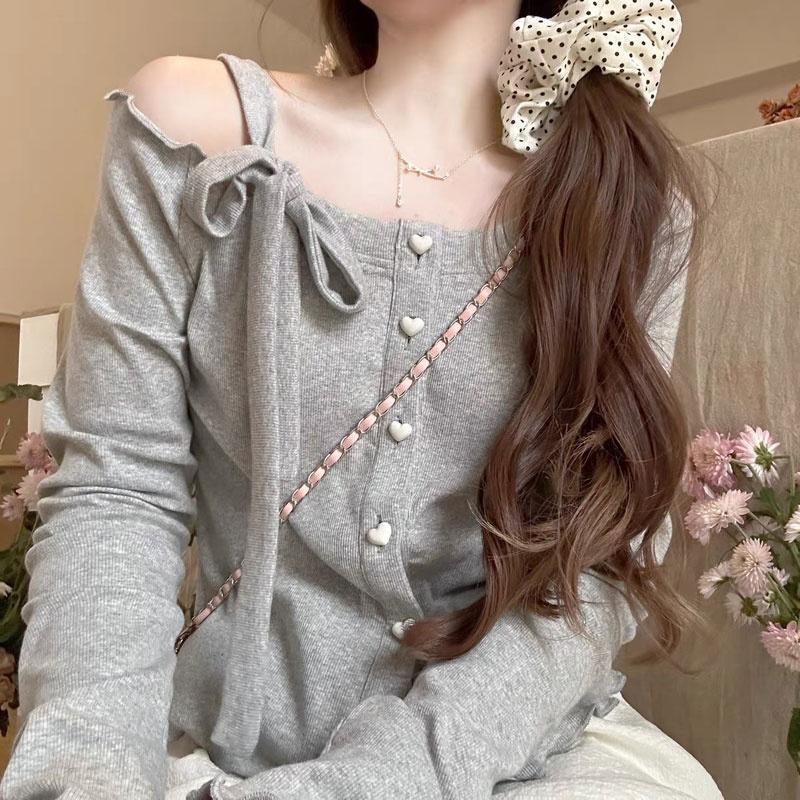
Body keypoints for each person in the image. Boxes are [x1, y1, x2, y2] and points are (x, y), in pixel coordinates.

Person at [1, 0, 708, 798]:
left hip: (505, 758)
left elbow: (596, 564)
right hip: (221, 751)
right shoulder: (191, 124)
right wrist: (90, 776)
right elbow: (117, 491)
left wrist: (376, 782)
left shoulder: (632, 201)